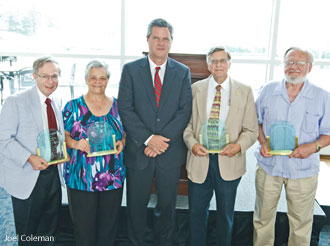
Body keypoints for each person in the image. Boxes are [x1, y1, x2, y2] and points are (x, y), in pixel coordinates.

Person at [118, 18, 192, 246]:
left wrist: (161, 142)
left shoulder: (182, 72)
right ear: (148, 39)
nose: (161, 43)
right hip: (139, 150)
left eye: (165, 38)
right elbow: (125, 107)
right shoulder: (130, 70)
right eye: (156, 38)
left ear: (171, 42)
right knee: (136, 205)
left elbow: (184, 110)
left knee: (167, 206)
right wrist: (149, 139)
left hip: (169, 152)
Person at [253, 47, 330, 246]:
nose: (293, 67)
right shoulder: (268, 90)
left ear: (309, 67)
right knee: (262, 219)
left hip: (303, 170)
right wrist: (262, 142)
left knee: (301, 223)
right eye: (289, 62)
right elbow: (256, 122)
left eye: (299, 63)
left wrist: (313, 147)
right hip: (270, 166)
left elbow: (328, 133)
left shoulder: (322, 96)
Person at [183, 46, 258, 246]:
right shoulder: (194, 90)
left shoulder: (245, 91)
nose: (218, 65)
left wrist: (238, 147)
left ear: (229, 63)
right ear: (208, 64)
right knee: (196, 214)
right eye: (214, 61)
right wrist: (192, 145)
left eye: (222, 60)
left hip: (229, 161)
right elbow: (186, 127)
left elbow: (251, 130)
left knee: (226, 215)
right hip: (200, 160)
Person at [0, 56, 64, 246]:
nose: (50, 81)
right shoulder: (15, 101)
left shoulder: (57, 100)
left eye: (54, 76)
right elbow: (3, 139)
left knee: (49, 229)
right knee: (29, 232)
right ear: (34, 76)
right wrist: (29, 158)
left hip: (53, 174)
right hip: (27, 175)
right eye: (45, 76)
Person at [62, 60, 125, 246]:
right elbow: (62, 136)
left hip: (112, 177)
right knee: (84, 229)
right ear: (86, 79)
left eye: (102, 78)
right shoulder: (72, 107)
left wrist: (122, 142)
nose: (98, 82)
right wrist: (75, 143)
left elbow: (126, 133)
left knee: (109, 228)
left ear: (108, 80)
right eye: (93, 78)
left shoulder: (119, 106)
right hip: (81, 178)